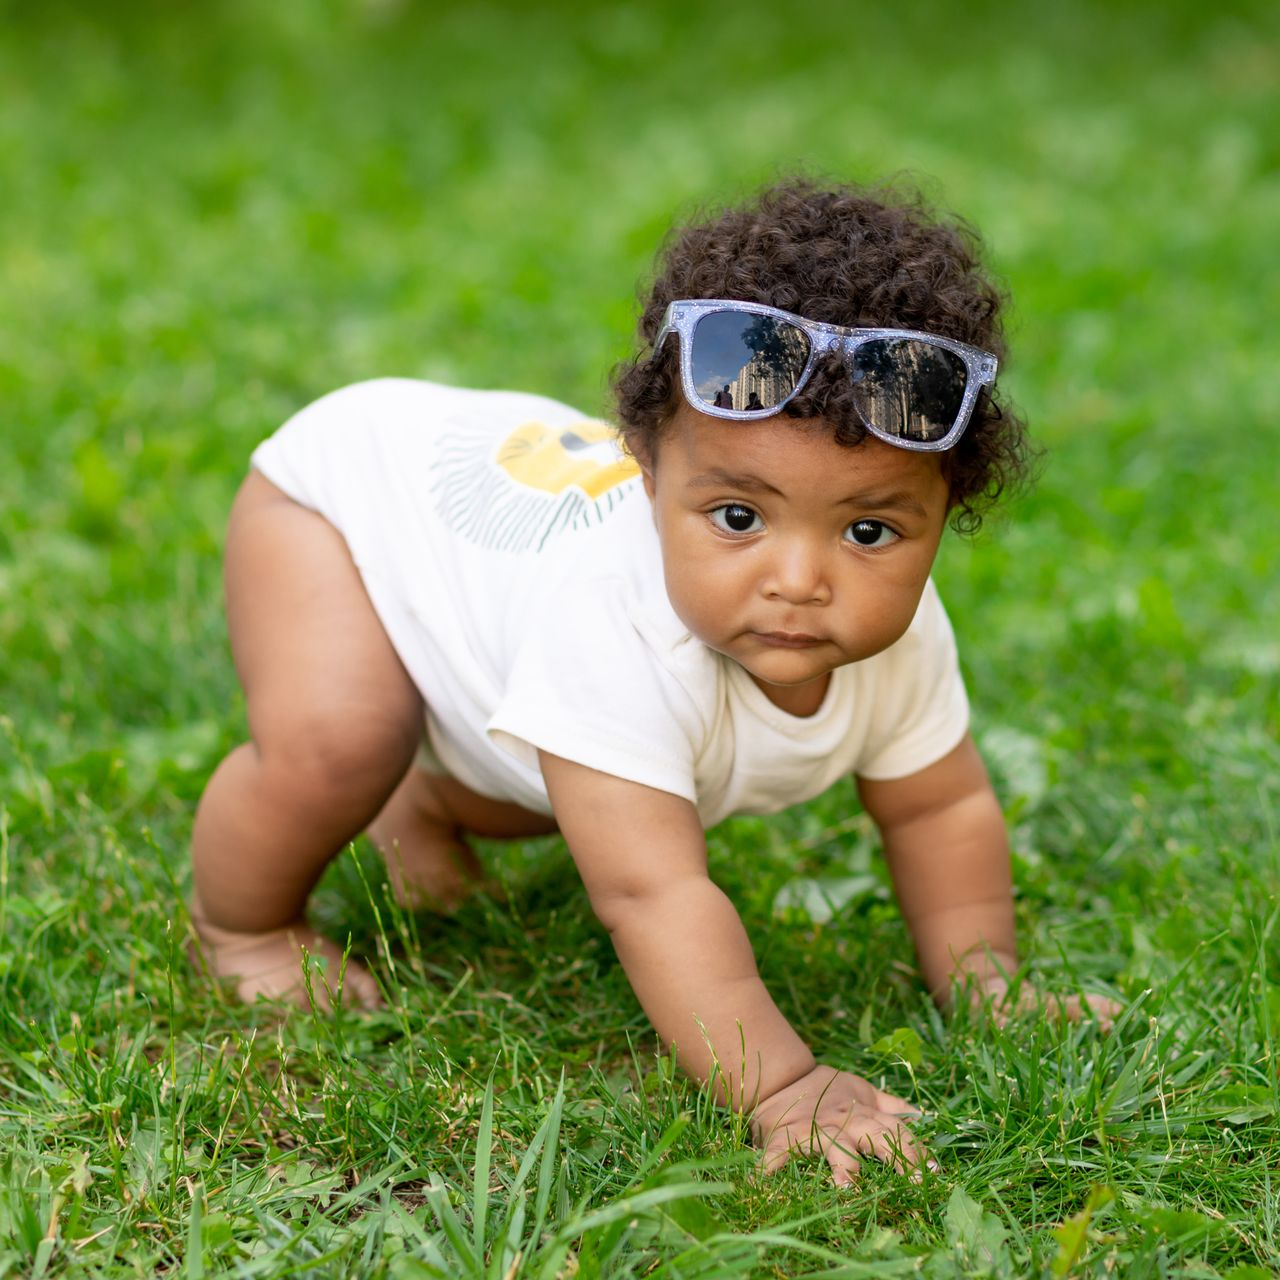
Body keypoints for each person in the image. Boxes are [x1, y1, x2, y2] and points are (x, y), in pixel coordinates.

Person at [190, 178, 1119, 1184]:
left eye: (867, 530)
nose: (798, 580)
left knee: (578, 788)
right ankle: (242, 927)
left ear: (947, 515)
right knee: (342, 738)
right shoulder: (611, 625)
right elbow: (651, 888)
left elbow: (939, 806)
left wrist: (984, 980)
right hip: (349, 502)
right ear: (646, 468)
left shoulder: (905, 642)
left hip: (484, 601)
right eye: (735, 516)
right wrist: (779, 1084)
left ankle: (420, 805)